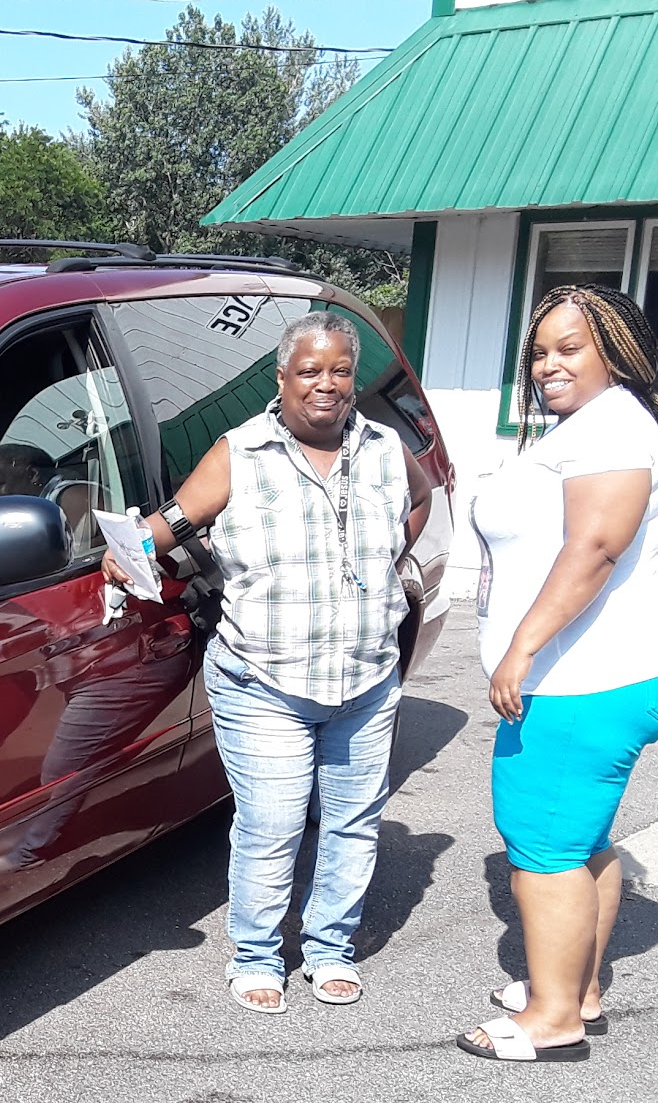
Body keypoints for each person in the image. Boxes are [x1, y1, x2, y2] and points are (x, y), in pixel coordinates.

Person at [107, 311, 432, 1013]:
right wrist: (126, 549)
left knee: (352, 823)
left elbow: (420, 499)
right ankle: (257, 954)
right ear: (282, 378)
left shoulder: (383, 446)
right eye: (309, 371)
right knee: (273, 823)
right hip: (264, 681)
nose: (326, 384)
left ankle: (331, 948)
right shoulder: (241, 451)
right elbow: (175, 523)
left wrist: (384, 562)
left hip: (366, 676)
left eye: (340, 370)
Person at [458, 285, 658, 1063]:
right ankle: (579, 989)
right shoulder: (601, 424)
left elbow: (595, 547)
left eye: (570, 348)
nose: (549, 366)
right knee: (582, 837)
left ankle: (554, 1019)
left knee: (542, 844)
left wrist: (523, 647)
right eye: (539, 353)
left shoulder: (610, 428)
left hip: (587, 679)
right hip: (612, 669)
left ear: (617, 353)